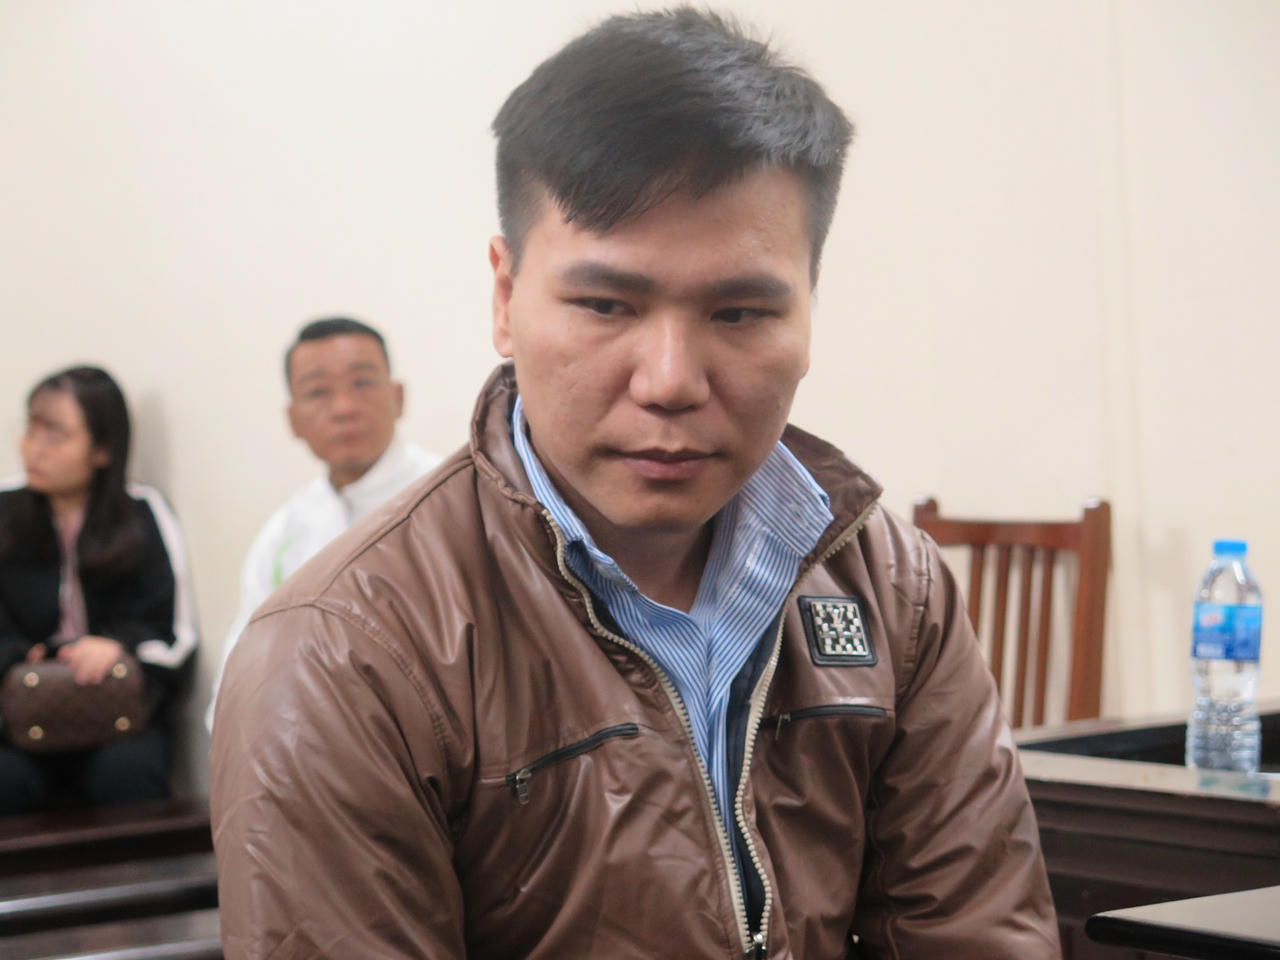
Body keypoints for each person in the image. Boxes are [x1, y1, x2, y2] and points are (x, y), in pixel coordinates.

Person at [211, 10, 1060, 958]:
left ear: (811, 301)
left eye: (739, 313)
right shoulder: (343, 655)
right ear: (505, 295)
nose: (669, 381)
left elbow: (973, 930)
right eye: (606, 304)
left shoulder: (891, 589)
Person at [205, 316, 439, 729]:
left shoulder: (450, 499)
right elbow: (245, 661)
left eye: (362, 383)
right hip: (311, 740)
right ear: (293, 420)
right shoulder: (283, 534)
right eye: (317, 392)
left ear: (398, 397)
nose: (344, 407)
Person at [0, 366, 197, 815]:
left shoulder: (143, 512)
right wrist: (25, 656)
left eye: (55, 435)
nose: (33, 447)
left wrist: (118, 646)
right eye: (31, 429)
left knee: (129, 775)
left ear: (103, 448)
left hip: (116, 713)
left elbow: (173, 632)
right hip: (15, 714)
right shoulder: (3, 510)